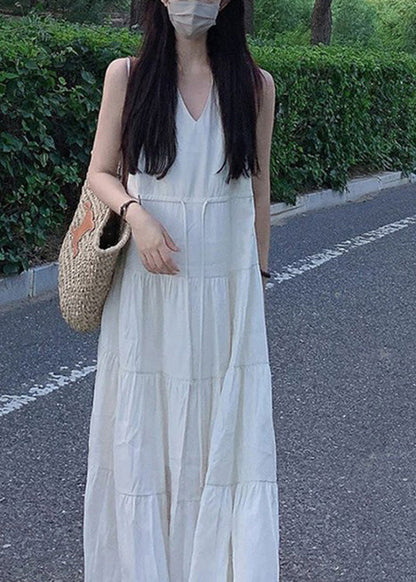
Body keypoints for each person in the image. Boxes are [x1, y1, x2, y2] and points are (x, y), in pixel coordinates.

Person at [84, 0, 279, 579]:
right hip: (148, 290)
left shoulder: (256, 86)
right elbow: (99, 172)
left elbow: (259, 189)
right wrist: (137, 215)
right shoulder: (127, 76)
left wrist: (258, 281)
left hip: (227, 291)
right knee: (145, 437)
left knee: (224, 440)